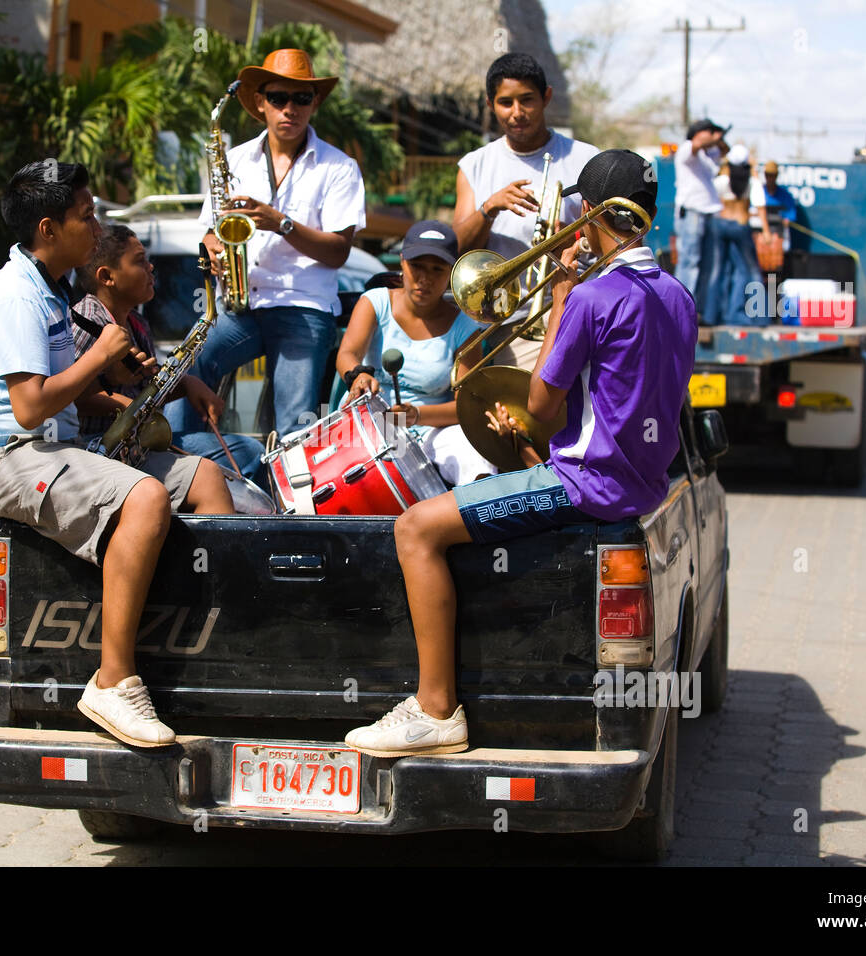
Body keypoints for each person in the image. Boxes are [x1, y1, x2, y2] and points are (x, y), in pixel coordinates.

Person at [344, 150, 697, 756]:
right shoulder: (679, 297)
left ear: (587, 215)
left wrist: (561, 292)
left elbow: (541, 403)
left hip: (584, 483)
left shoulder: (591, 298)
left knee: (415, 528)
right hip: (640, 483)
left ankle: (434, 710)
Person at [0, 160, 178, 747]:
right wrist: (100, 356)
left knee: (197, 479)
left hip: (49, 445)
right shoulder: (18, 296)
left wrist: (117, 380)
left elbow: (63, 394)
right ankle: (113, 681)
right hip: (0, 455)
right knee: (146, 497)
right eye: (85, 215)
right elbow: (29, 407)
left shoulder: (47, 288)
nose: (96, 226)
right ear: (48, 229)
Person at [164, 48, 366, 441]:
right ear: (261, 102)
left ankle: (291, 497)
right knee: (182, 369)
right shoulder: (235, 161)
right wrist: (214, 252)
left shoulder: (340, 167)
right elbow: (208, 232)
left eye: (301, 98)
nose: (289, 108)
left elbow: (338, 251)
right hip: (241, 304)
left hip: (302, 306)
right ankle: (176, 465)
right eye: (278, 98)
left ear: (315, 103)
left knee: (294, 426)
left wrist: (282, 224)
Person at [70, 223, 237, 514]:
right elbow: (72, 398)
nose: (150, 267)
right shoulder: (85, 322)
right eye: (139, 261)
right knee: (228, 465)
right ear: (107, 277)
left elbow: (147, 389)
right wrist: (124, 406)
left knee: (244, 454)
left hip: (131, 444)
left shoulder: (137, 324)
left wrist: (186, 384)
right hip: (95, 449)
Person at [453, 52, 599, 370]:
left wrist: (571, 236)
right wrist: (488, 208)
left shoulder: (587, 159)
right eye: (506, 102)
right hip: (507, 324)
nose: (517, 112)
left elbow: (611, 238)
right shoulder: (474, 165)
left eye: (527, 100)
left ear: (546, 98)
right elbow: (458, 249)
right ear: (491, 105)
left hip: (578, 313)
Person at [336, 221, 497, 486]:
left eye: (437, 269)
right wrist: (358, 376)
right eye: (417, 266)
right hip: (366, 425)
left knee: (476, 457)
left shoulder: (466, 327)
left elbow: (466, 407)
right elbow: (348, 353)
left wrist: (417, 415)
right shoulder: (374, 301)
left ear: (451, 272)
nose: (425, 278)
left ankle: (478, 518)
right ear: (402, 262)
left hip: (432, 432)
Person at [673, 118, 729, 315]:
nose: (713, 135)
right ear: (698, 133)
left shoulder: (708, 155)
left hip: (710, 210)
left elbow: (725, 151)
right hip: (692, 210)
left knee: (710, 263)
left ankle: (699, 309)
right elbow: (698, 144)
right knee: (690, 260)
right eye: (709, 131)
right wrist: (715, 138)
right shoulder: (687, 148)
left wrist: (719, 140)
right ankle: (681, 308)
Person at [706, 144, 762, 325]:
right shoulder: (751, 182)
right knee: (747, 270)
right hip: (740, 225)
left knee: (718, 270)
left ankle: (711, 314)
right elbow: (760, 207)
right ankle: (749, 314)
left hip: (720, 224)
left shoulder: (721, 182)